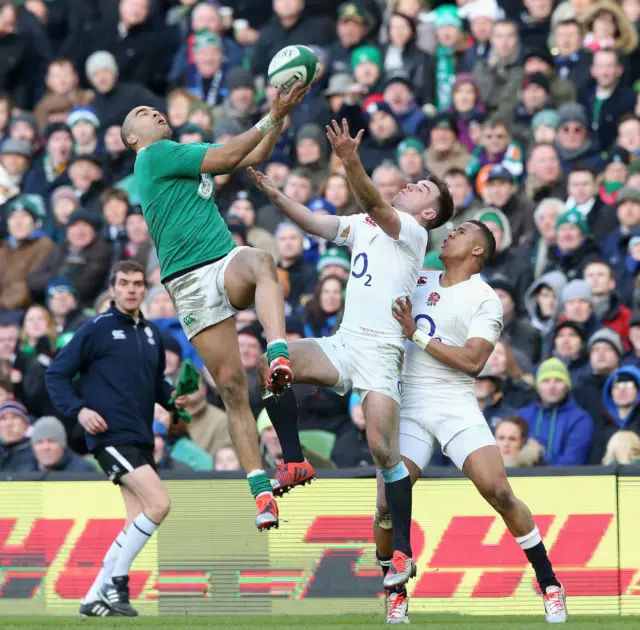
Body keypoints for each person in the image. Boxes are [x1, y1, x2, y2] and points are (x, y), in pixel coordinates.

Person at [249, 118, 454, 592]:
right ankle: (295, 459)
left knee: (385, 451)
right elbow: (317, 223)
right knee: (272, 363)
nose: (410, 184)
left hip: (382, 351)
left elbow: (375, 203)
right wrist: (276, 194)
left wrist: (349, 159)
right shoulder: (364, 223)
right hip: (344, 344)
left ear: (428, 214)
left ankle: (401, 550)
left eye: (421, 187)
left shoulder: (411, 233)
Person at [119, 82, 309, 531]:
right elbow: (229, 157)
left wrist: (280, 116)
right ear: (133, 138)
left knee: (262, 261)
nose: (157, 113)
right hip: (188, 280)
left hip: (221, 261)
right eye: (146, 112)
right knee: (231, 390)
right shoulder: (153, 156)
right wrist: (270, 113)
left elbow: (252, 155)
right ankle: (261, 492)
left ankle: (277, 349)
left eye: (156, 108)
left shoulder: (181, 152)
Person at [380, 220, 566, 624]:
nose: (449, 234)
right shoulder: (419, 277)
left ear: (477, 250)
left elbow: (474, 361)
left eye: (461, 231)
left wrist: (417, 335)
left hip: (454, 403)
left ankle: (550, 583)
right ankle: (396, 595)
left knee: (498, 490)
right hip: (408, 403)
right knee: (384, 505)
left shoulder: (485, 299)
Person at [45, 261, 189, 617]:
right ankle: (118, 583)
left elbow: (155, 384)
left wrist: (172, 399)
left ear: (144, 289)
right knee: (159, 504)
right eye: (124, 283)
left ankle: (93, 598)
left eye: (138, 284)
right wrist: (79, 411)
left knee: (136, 520)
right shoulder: (95, 329)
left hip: (139, 436)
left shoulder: (152, 334)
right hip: (110, 435)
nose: (131, 289)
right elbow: (56, 375)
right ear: (112, 289)